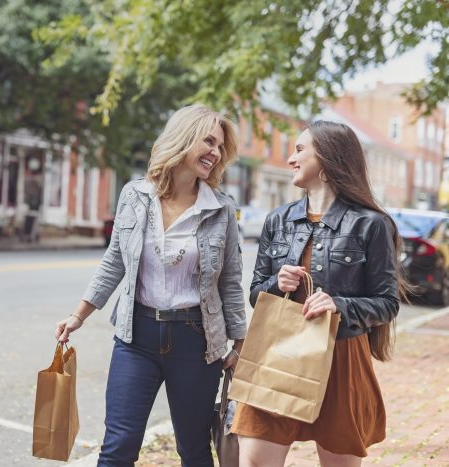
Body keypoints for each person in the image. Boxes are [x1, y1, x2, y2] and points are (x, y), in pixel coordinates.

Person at [54, 104, 247, 466]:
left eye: (220, 147)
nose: (216, 153)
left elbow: (231, 282)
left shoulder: (221, 209)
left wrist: (240, 342)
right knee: (118, 447)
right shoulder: (135, 196)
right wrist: (78, 315)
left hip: (198, 341)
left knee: (193, 449)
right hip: (135, 337)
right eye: (208, 141)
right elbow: (114, 261)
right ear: (183, 138)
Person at [233, 121, 403, 467]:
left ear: (326, 158)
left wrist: (338, 304)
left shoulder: (370, 224)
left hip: (340, 355)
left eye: (299, 150)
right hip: (277, 351)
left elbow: (387, 303)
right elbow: (255, 294)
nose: (291, 159)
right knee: (254, 461)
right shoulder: (278, 220)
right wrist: (275, 285)